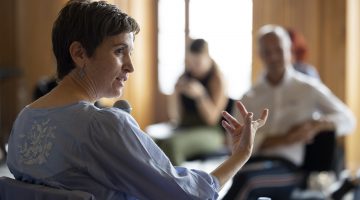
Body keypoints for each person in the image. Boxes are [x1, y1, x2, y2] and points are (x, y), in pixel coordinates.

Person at [6, 1, 268, 200]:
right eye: (120, 51)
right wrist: (241, 155)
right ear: (79, 53)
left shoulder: (23, 120)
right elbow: (187, 195)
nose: (130, 67)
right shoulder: (103, 126)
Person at [223, 25, 356, 200]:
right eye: (267, 52)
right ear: (260, 55)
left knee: (248, 182)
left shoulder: (308, 88)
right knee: (229, 179)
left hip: (290, 169)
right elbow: (232, 143)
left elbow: (348, 119)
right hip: (252, 164)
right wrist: (285, 138)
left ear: (289, 50)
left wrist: (316, 125)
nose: (273, 57)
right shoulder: (249, 97)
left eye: (278, 50)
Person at [159, 38, 228, 165]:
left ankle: (178, 183)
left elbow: (212, 119)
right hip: (185, 127)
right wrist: (175, 95)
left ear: (208, 58)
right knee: (153, 141)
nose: (193, 67)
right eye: (190, 62)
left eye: (198, 62)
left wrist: (200, 96)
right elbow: (176, 118)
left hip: (211, 132)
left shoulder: (217, 79)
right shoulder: (184, 77)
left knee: (172, 145)